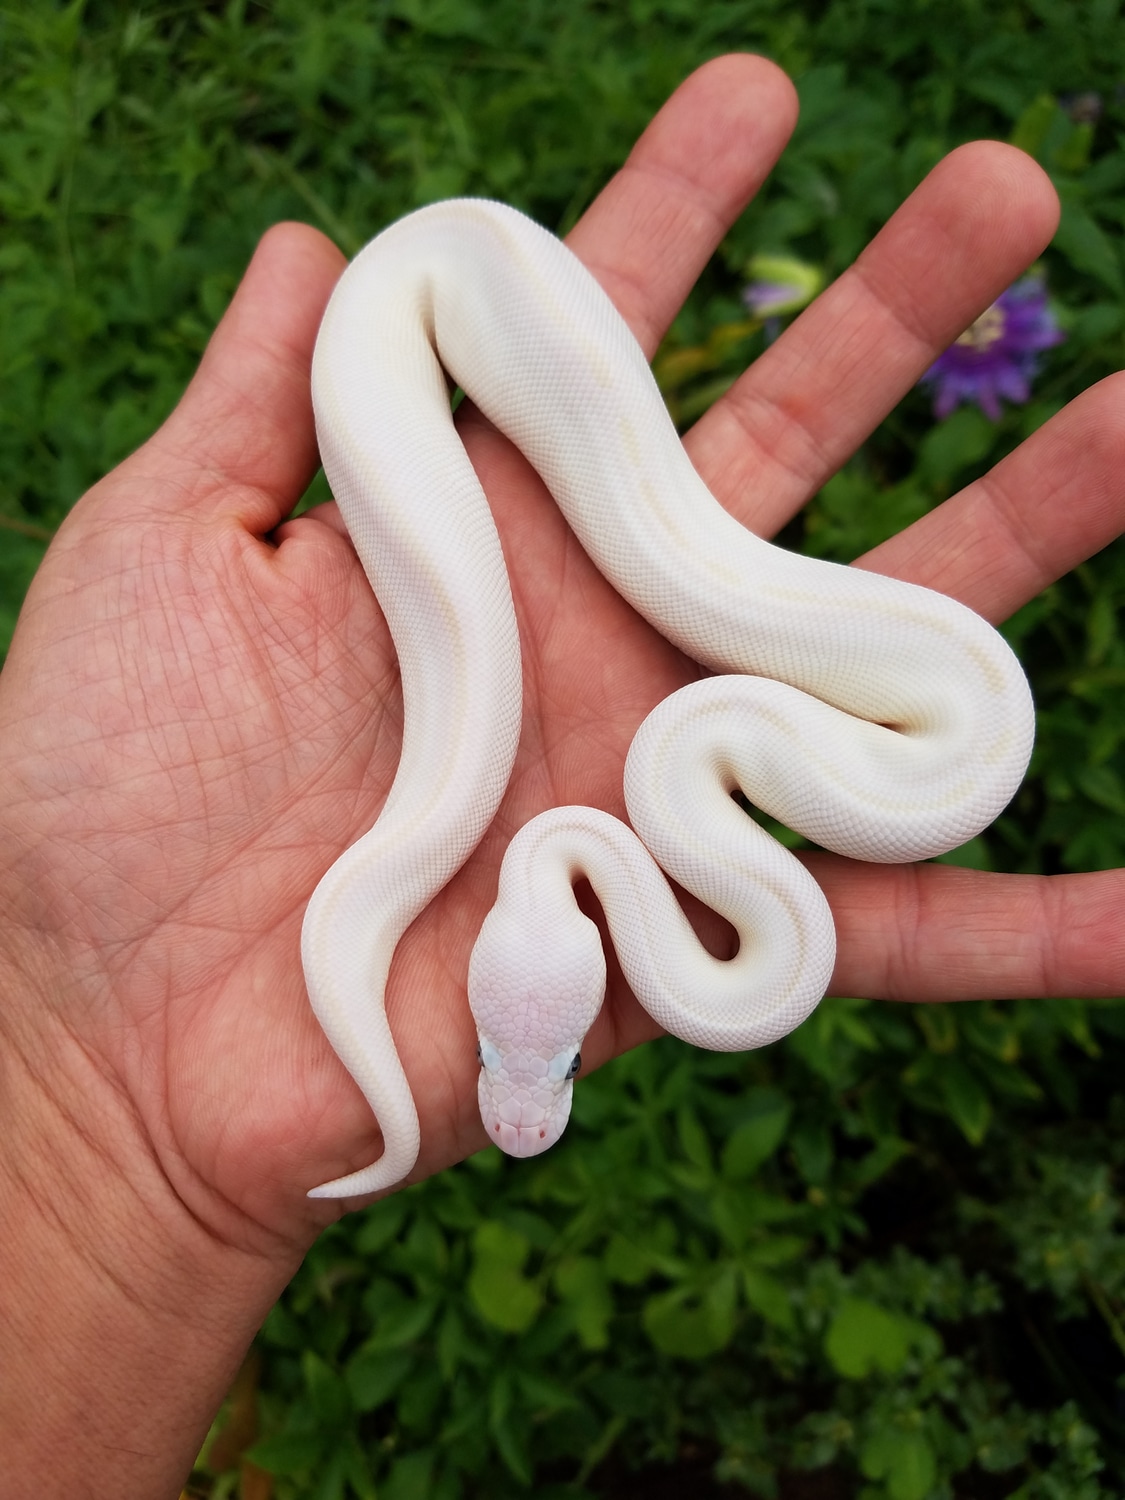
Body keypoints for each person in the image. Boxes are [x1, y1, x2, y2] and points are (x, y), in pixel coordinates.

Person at [0, 52, 1121, 1497]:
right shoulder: (661, 811)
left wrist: (89, 1128)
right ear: (581, 958)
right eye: (526, 1056)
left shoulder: (653, 809)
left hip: (447, 309)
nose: (519, 1089)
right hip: (453, 303)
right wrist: (86, 1120)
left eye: (503, 1055)